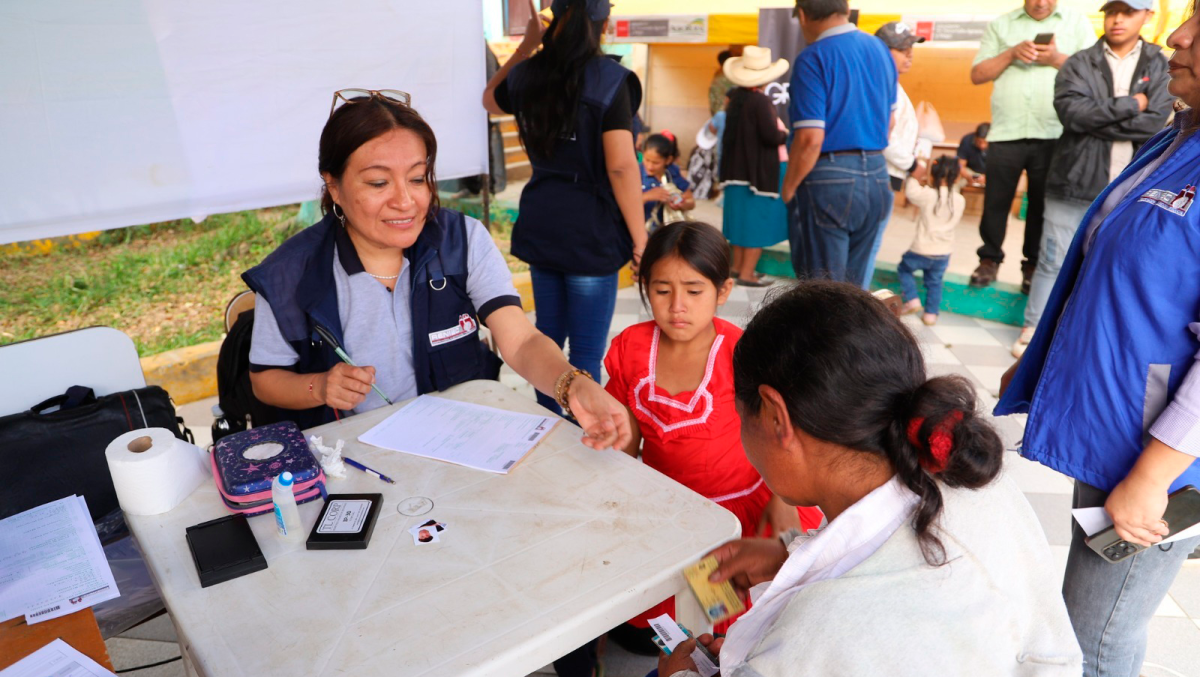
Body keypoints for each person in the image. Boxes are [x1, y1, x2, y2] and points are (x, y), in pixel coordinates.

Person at [656, 281, 1081, 677]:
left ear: (773, 415)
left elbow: (851, 627)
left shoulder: (814, 640)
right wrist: (794, 561)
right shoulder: (974, 480)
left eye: (740, 414)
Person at [243, 91, 631, 456]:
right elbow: (265, 380)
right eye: (378, 182)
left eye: (417, 178)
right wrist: (320, 386)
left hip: (458, 441)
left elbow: (521, 340)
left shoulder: (462, 241)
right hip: (352, 455)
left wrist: (573, 384)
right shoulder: (291, 274)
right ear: (335, 186)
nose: (405, 200)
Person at [997, 5, 1200, 673]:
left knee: (1097, 637)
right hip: (1124, 431)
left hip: (1165, 457)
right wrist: (1038, 359)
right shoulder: (1176, 139)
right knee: (1081, 614)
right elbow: (1106, 275)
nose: (1178, 36)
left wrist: (1152, 475)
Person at [602, 222, 821, 653]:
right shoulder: (630, 348)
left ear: (723, 291)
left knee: (716, 608)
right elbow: (624, 443)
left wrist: (783, 501)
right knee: (647, 609)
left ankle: (713, 645)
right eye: (662, 290)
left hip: (739, 511)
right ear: (644, 288)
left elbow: (785, 432)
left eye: (694, 290)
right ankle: (676, 638)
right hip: (667, 506)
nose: (677, 306)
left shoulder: (743, 354)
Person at [483, 0, 647, 416]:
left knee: (547, 340)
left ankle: (551, 430)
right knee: (586, 352)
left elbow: (490, 100)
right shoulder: (611, 79)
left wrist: (526, 47)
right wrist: (641, 238)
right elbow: (622, 166)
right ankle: (579, 437)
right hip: (590, 230)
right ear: (604, 23)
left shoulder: (528, 74)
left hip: (542, 219)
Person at [1011, 0, 1169, 358]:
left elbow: (1156, 120)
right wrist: (1133, 104)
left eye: (1129, 12)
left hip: (1134, 188)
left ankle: (1082, 339)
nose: (1117, 19)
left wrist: (1105, 114)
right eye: (1112, 11)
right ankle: (1033, 330)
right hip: (1073, 182)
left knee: (1115, 265)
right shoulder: (1079, 62)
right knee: (1052, 260)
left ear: (1147, 16)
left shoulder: (1161, 63)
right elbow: (1073, 116)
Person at [968, 0, 1096, 293]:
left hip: (1054, 132)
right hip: (1005, 132)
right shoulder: (1001, 24)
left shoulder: (1077, 23)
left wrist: (1055, 58)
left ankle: (1032, 265)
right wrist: (1011, 53)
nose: (1041, 3)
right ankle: (989, 258)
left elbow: (1094, 73)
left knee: (1040, 204)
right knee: (995, 201)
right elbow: (977, 75)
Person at [784, 0, 897, 285]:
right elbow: (891, 122)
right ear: (846, 10)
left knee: (824, 290)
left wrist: (789, 185)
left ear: (803, 15)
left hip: (830, 178)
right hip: (878, 175)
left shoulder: (812, 57)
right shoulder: (880, 49)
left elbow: (810, 139)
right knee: (853, 292)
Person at [719, 46, 790, 287]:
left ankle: (737, 268)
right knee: (756, 224)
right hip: (757, 176)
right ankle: (748, 274)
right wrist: (785, 134)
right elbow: (771, 136)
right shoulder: (760, 101)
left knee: (740, 223)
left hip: (736, 174)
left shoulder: (735, 98)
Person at [868, 21, 926, 289]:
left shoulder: (890, 85)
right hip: (878, 173)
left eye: (911, 47)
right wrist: (913, 164)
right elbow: (884, 137)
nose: (910, 54)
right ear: (882, 50)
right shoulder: (879, 85)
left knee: (869, 246)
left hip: (887, 175)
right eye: (902, 48)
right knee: (867, 247)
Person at [897, 156, 965, 326]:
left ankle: (912, 299)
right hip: (943, 253)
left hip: (920, 249)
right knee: (934, 282)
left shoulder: (927, 194)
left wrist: (915, 173)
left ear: (933, 175)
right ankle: (930, 315)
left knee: (904, 269)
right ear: (957, 177)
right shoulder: (960, 200)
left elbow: (911, 192)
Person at [641, 132, 695, 232]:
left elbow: (691, 202)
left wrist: (681, 204)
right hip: (640, 233)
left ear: (668, 160)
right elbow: (623, 205)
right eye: (647, 160)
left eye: (656, 162)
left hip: (665, 233)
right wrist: (646, 197)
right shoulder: (636, 174)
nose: (650, 166)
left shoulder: (672, 174)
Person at [709, 49, 737, 116]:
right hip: (729, 115)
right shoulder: (732, 76)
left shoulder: (717, 76)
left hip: (718, 114)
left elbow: (713, 101)